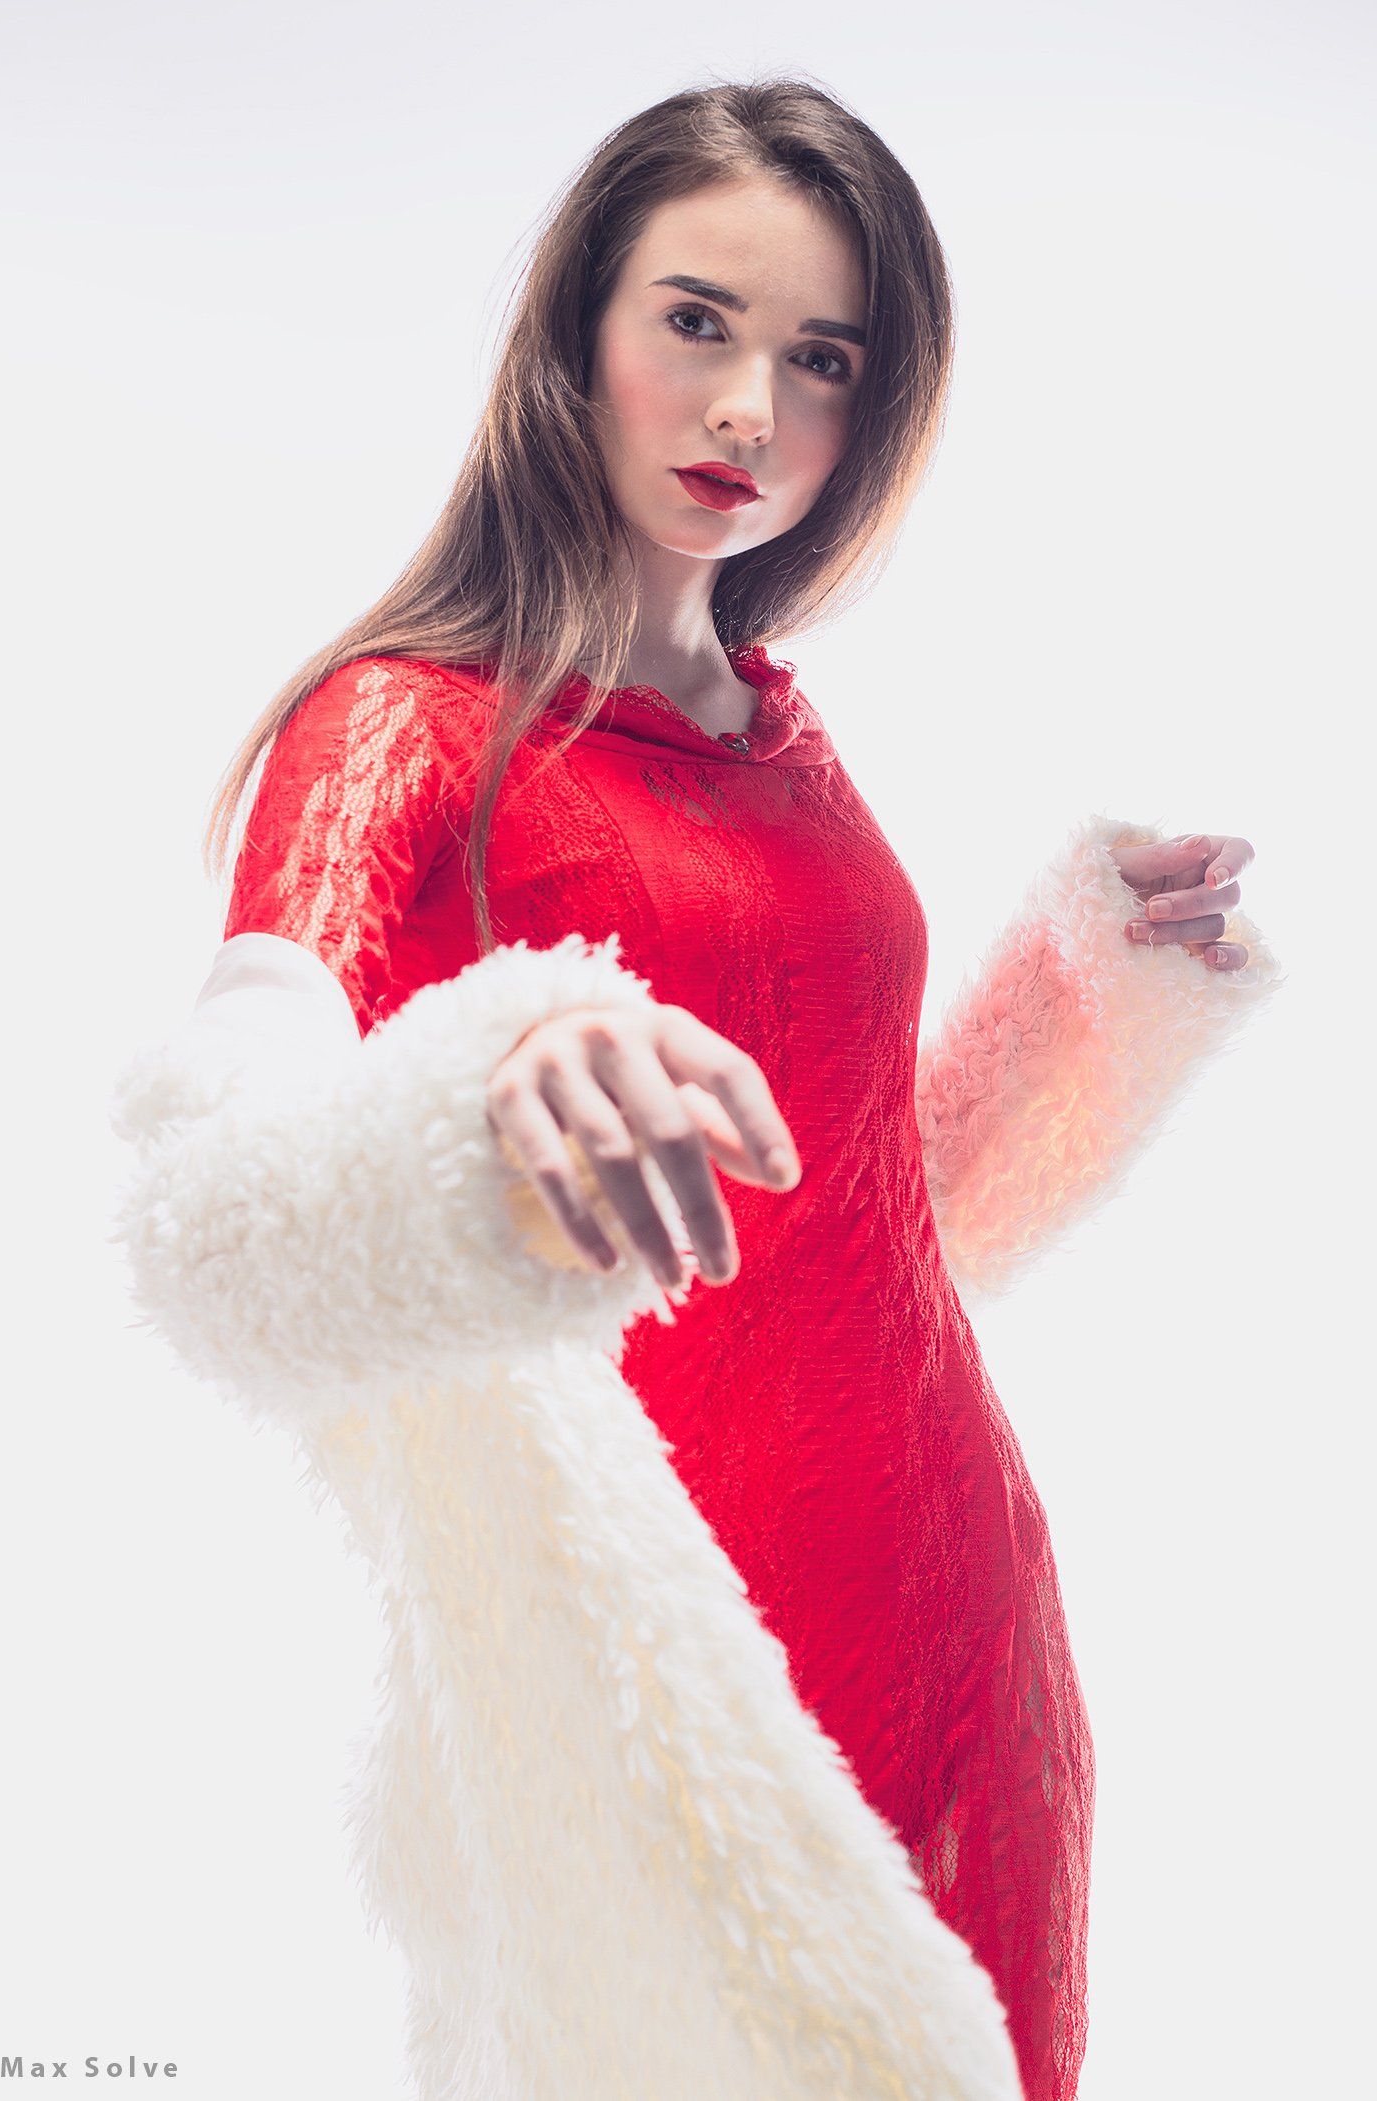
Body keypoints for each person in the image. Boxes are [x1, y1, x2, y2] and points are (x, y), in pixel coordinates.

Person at [110, 78, 1283, 2101]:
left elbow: (849, 1209)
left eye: (821, 358)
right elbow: (216, 1195)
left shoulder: (783, 740)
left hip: (967, 1617)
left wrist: (1090, 984)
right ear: (577, 327)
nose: (751, 406)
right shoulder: (399, 731)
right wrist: (478, 1089)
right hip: (662, 1675)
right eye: (696, 321)